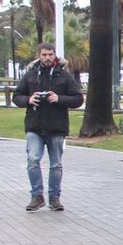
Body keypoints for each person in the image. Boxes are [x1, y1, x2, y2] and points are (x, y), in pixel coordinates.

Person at [11, 43, 84, 212]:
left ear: (54, 56)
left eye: (50, 54)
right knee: (33, 161)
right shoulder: (30, 75)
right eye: (44, 55)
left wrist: (59, 99)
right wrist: (29, 100)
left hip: (57, 127)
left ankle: (54, 197)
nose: (47, 58)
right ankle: (37, 196)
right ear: (39, 55)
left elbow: (78, 99)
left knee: (56, 164)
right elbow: (17, 96)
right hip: (34, 126)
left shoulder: (64, 76)